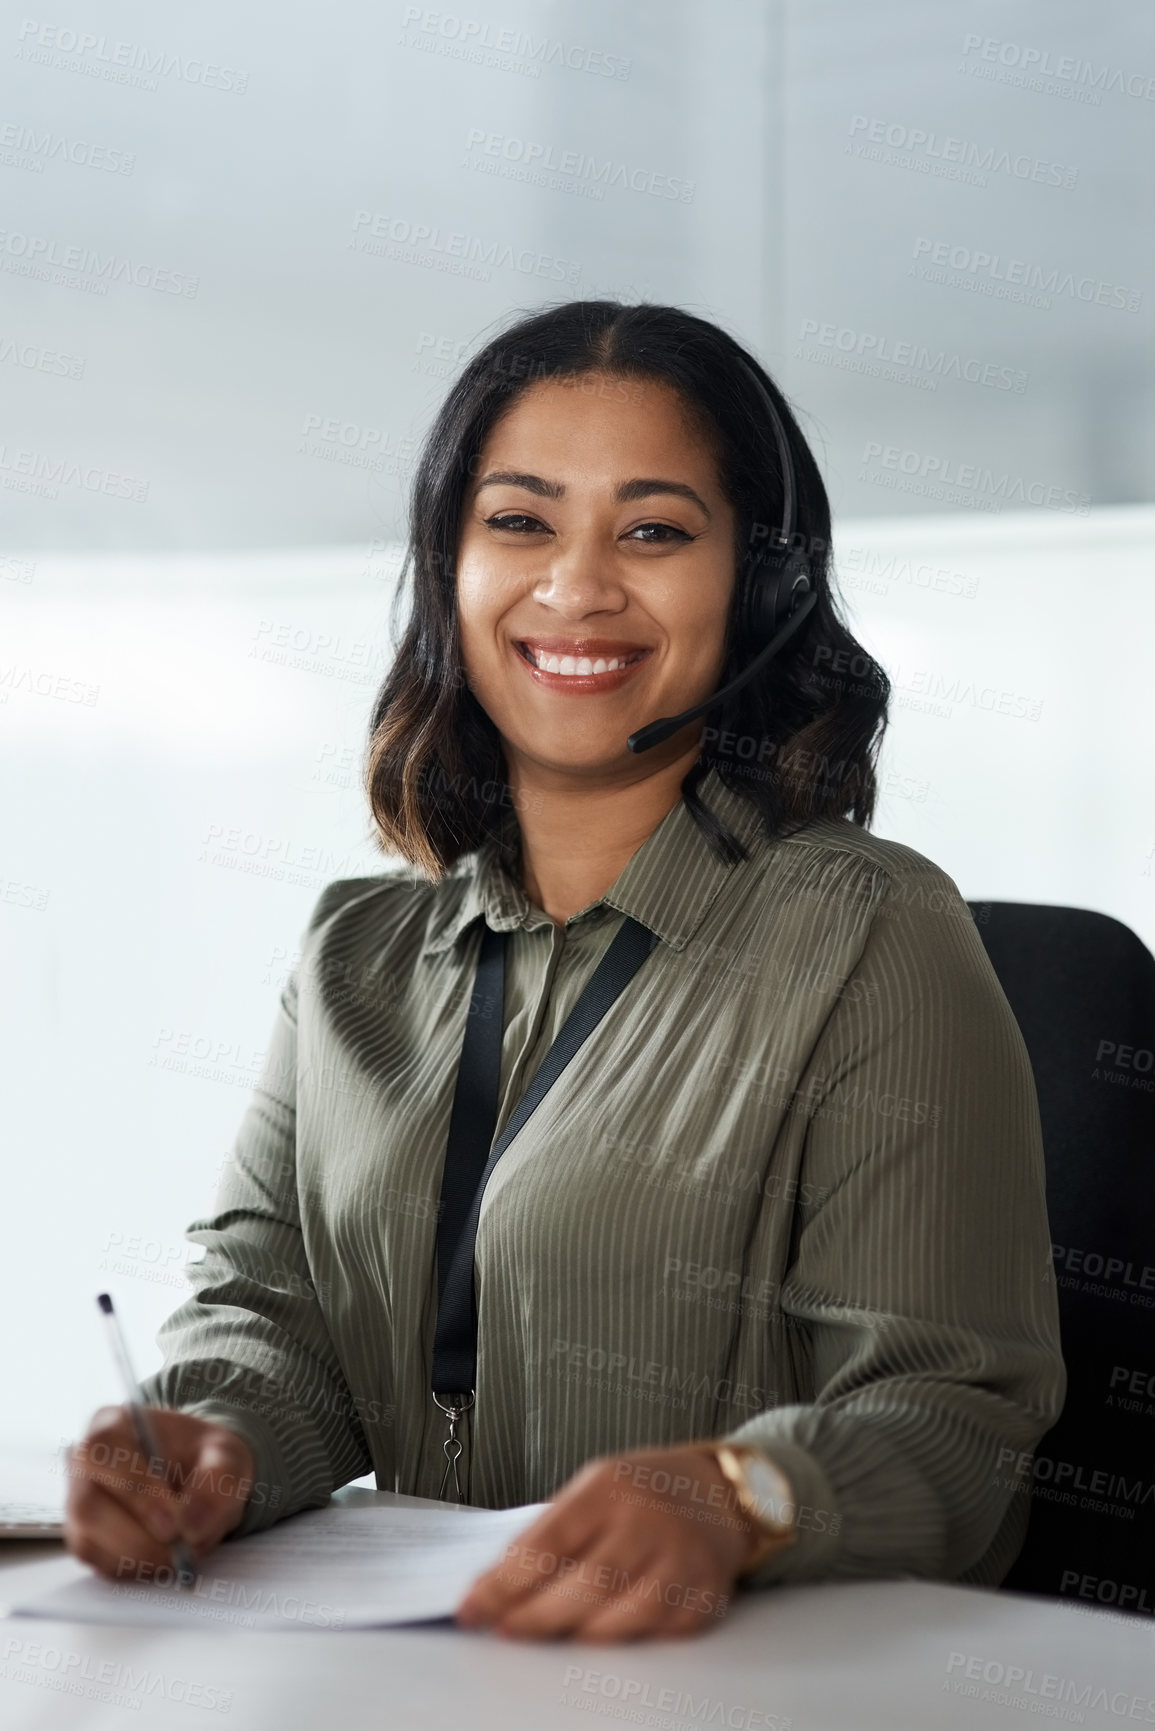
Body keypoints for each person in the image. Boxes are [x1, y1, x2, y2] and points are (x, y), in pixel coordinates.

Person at [65, 300, 1066, 1643]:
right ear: (450, 570)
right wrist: (204, 1438)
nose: (578, 586)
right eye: (520, 523)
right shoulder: (353, 952)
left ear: (760, 586)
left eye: (653, 530)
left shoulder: (870, 935)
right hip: (423, 1683)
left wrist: (737, 1494)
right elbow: (273, 1320)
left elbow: (953, 1422)